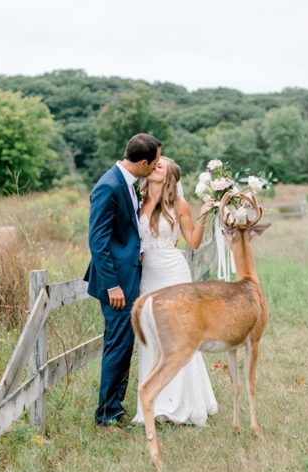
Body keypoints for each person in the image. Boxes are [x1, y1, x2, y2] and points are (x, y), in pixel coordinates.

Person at [132, 156, 219, 426]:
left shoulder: (178, 205)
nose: (153, 167)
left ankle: (185, 403)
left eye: (160, 165)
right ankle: (154, 403)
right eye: (153, 164)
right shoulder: (137, 202)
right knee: (152, 333)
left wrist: (204, 213)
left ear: (169, 175)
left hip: (174, 273)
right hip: (149, 276)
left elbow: (192, 242)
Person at [85, 133, 161, 426]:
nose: (154, 169)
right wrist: (112, 284)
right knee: (117, 344)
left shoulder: (125, 183)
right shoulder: (108, 186)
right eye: (154, 164)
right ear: (143, 162)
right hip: (116, 283)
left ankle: (115, 406)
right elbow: (98, 241)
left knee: (124, 343)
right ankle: (106, 414)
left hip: (128, 278)